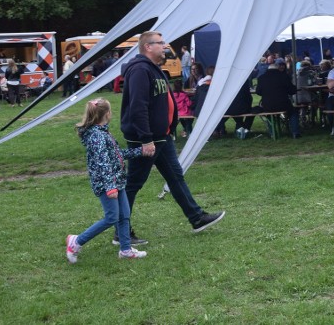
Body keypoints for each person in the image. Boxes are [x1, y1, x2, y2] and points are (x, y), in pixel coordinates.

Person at [120, 31, 225, 244]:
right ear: (148, 47)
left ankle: (197, 218)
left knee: (175, 177)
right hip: (147, 138)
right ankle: (121, 232)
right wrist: (146, 138)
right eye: (160, 43)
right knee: (133, 183)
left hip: (162, 136)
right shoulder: (140, 70)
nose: (165, 46)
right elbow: (137, 106)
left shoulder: (155, 69)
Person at [65, 98, 148, 263]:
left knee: (124, 215)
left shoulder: (103, 132)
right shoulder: (97, 136)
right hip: (107, 184)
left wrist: (140, 151)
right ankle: (76, 242)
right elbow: (103, 163)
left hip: (117, 181)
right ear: (107, 114)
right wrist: (110, 187)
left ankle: (125, 250)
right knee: (111, 217)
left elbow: (117, 155)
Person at [255, 58, 301, 138]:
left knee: (269, 115)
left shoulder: (261, 78)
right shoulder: (283, 76)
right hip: (283, 104)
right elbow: (292, 91)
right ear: (277, 68)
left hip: (267, 105)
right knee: (293, 112)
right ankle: (295, 132)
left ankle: (272, 133)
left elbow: (258, 92)